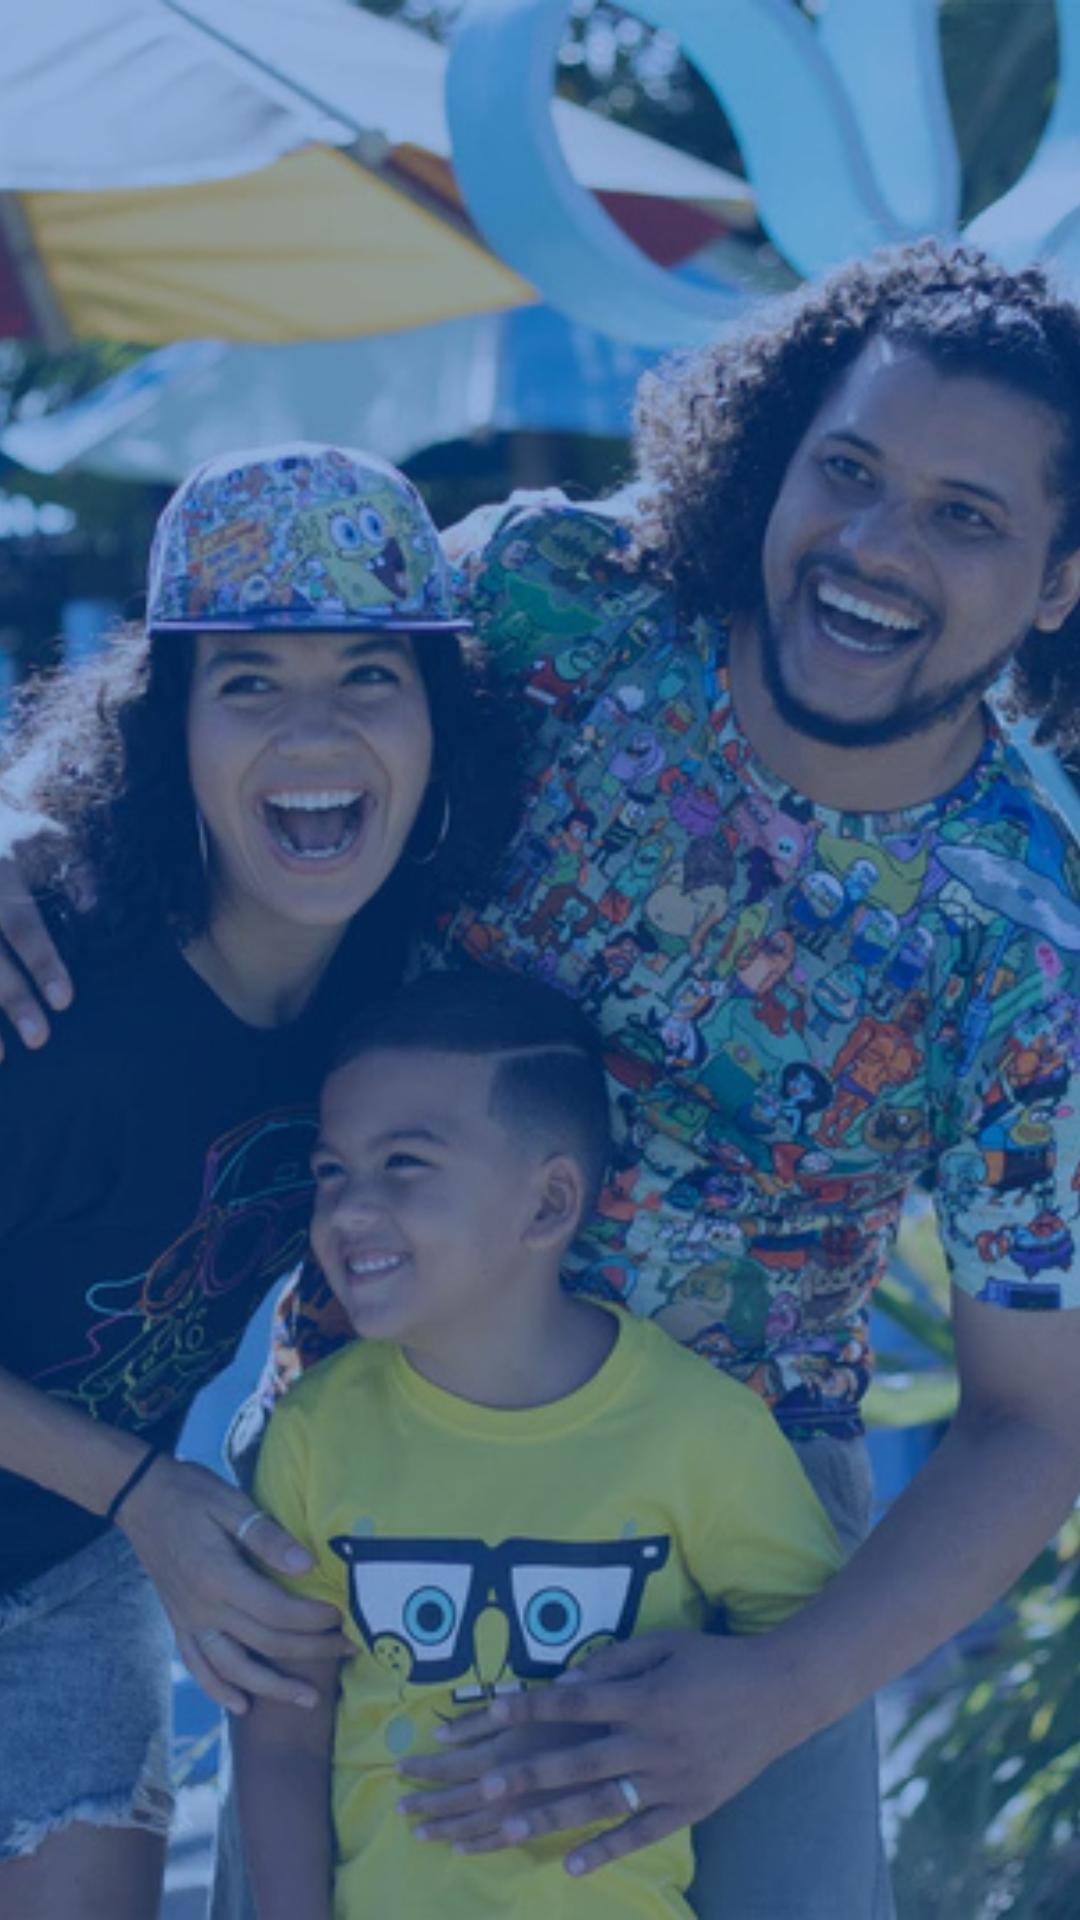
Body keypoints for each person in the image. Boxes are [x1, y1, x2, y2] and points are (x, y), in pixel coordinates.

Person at [7, 239, 1080, 1917]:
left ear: (1060, 581)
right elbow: (256, 690)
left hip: (738, 1546)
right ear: (777, 455)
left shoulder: (1030, 947)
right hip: (373, 1447)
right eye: (850, 470)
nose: (876, 545)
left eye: (967, 514)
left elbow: (1034, 1422)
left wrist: (779, 1694)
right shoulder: (549, 592)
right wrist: (15, 814)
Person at [0, 441, 515, 1918]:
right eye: (248, 684)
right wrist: (149, 1496)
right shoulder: (49, 992)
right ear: (165, 735)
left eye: (369, 675)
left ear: (438, 732)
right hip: (117, 1509)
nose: (314, 727)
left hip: (67, 1573)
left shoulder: (396, 1005)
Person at [232, 969, 842, 1919]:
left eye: (404, 1164)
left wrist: (621, 1734)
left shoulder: (702, 1432)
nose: (348, 1209)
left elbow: (803, 1666)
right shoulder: (312, 1432)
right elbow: (280, 1735)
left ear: (551, 1203)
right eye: (330, 1171)